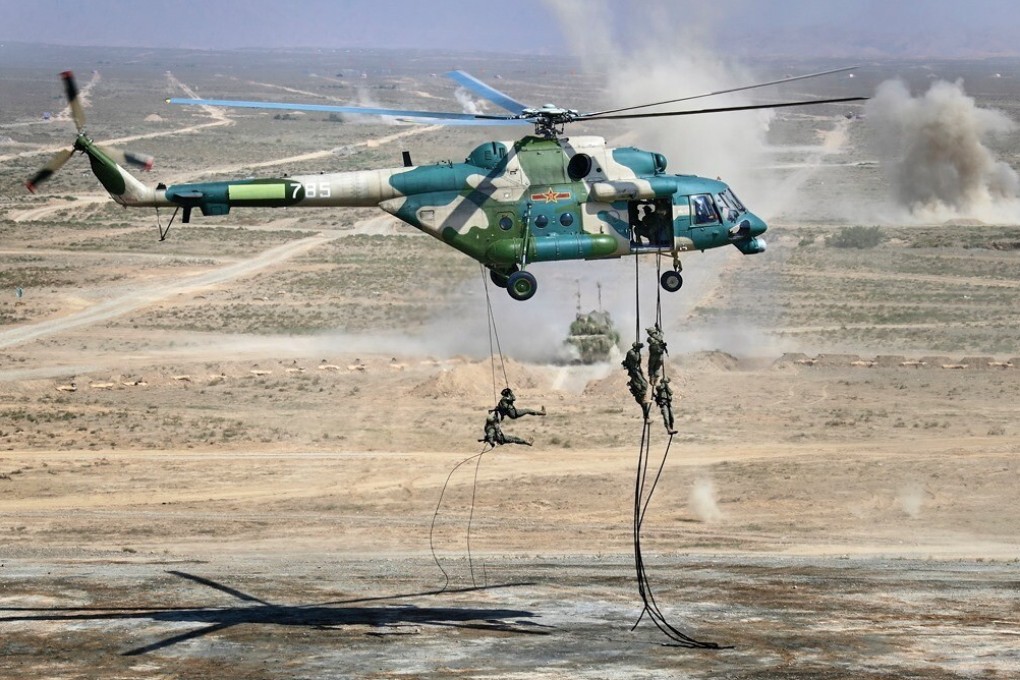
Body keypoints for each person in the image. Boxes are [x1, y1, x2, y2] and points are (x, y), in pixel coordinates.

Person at [622, 341, 649, 418]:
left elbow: (638, 362)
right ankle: (643, 397)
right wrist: (638, 352)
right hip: (633, 371)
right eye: (638, 348)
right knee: (643, 384)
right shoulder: (631, 352)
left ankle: (643, 397)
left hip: (636, 370)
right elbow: (636, 359)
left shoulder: (635, 351)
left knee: (643, 384)